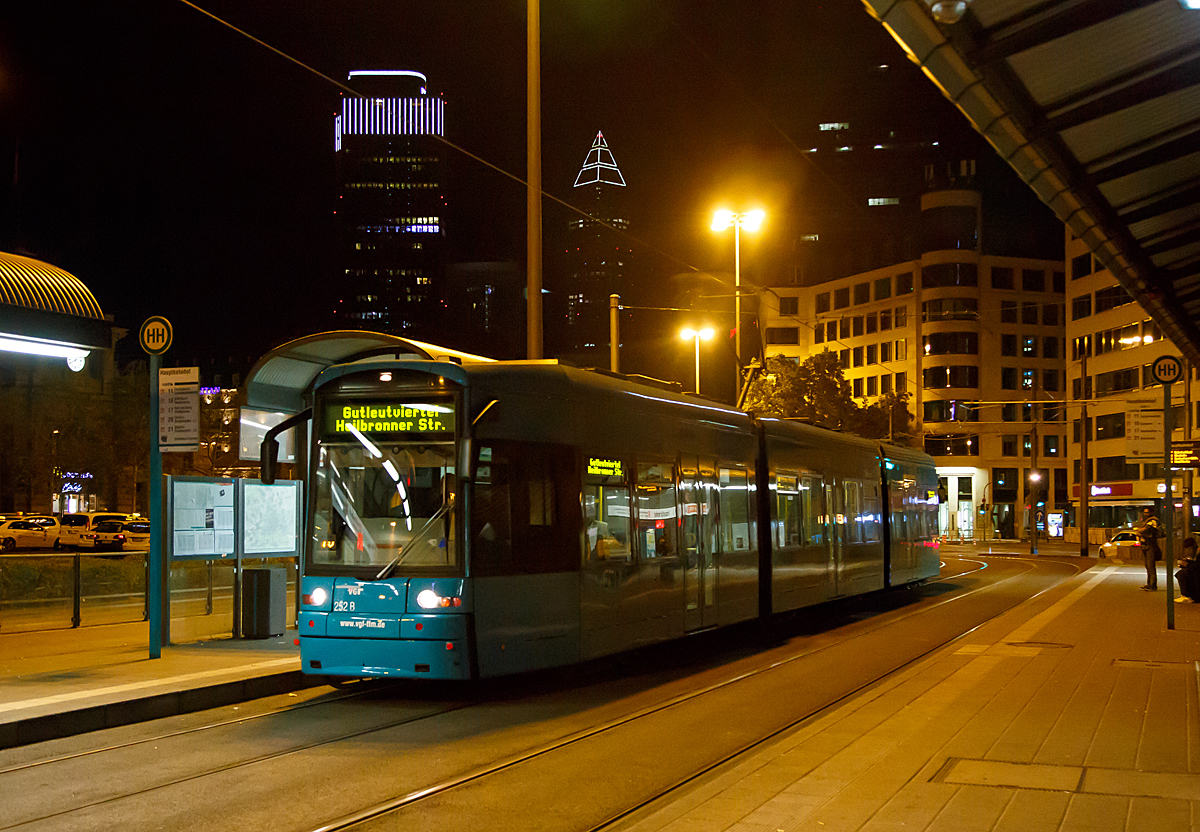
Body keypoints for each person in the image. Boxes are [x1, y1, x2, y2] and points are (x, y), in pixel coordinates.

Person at [1137, 507, 1163, 591]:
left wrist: (1139, 531)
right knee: (1148, 566)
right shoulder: (1147, 521)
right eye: (1144, 512)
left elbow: (1145, 530)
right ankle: (1149, 584)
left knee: (1151, 566)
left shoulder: (1153, 521)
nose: (1145, 514)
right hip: (1145, 545)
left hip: (1151, 546)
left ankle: (1153, 585)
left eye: (1147, 512)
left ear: (1151, 512)